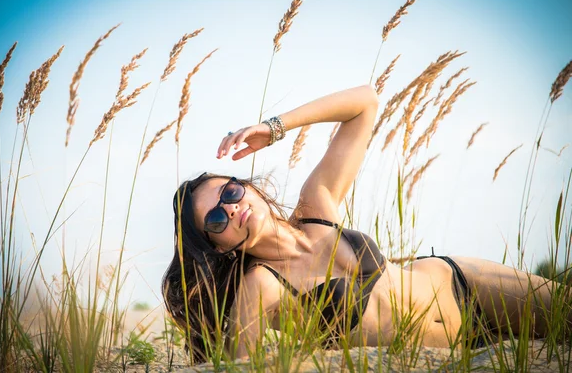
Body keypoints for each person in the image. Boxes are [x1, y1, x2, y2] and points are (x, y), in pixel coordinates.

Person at [162, 85, 567, 363]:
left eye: (229, 194)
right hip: (450, 354)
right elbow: (239, 365)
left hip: (464, 283)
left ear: (244, 186)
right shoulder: (262, 285)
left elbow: (365, 102)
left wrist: (274, 128)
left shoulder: (316, 202)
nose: (230, 210)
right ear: (219, 247)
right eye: (216, 219)